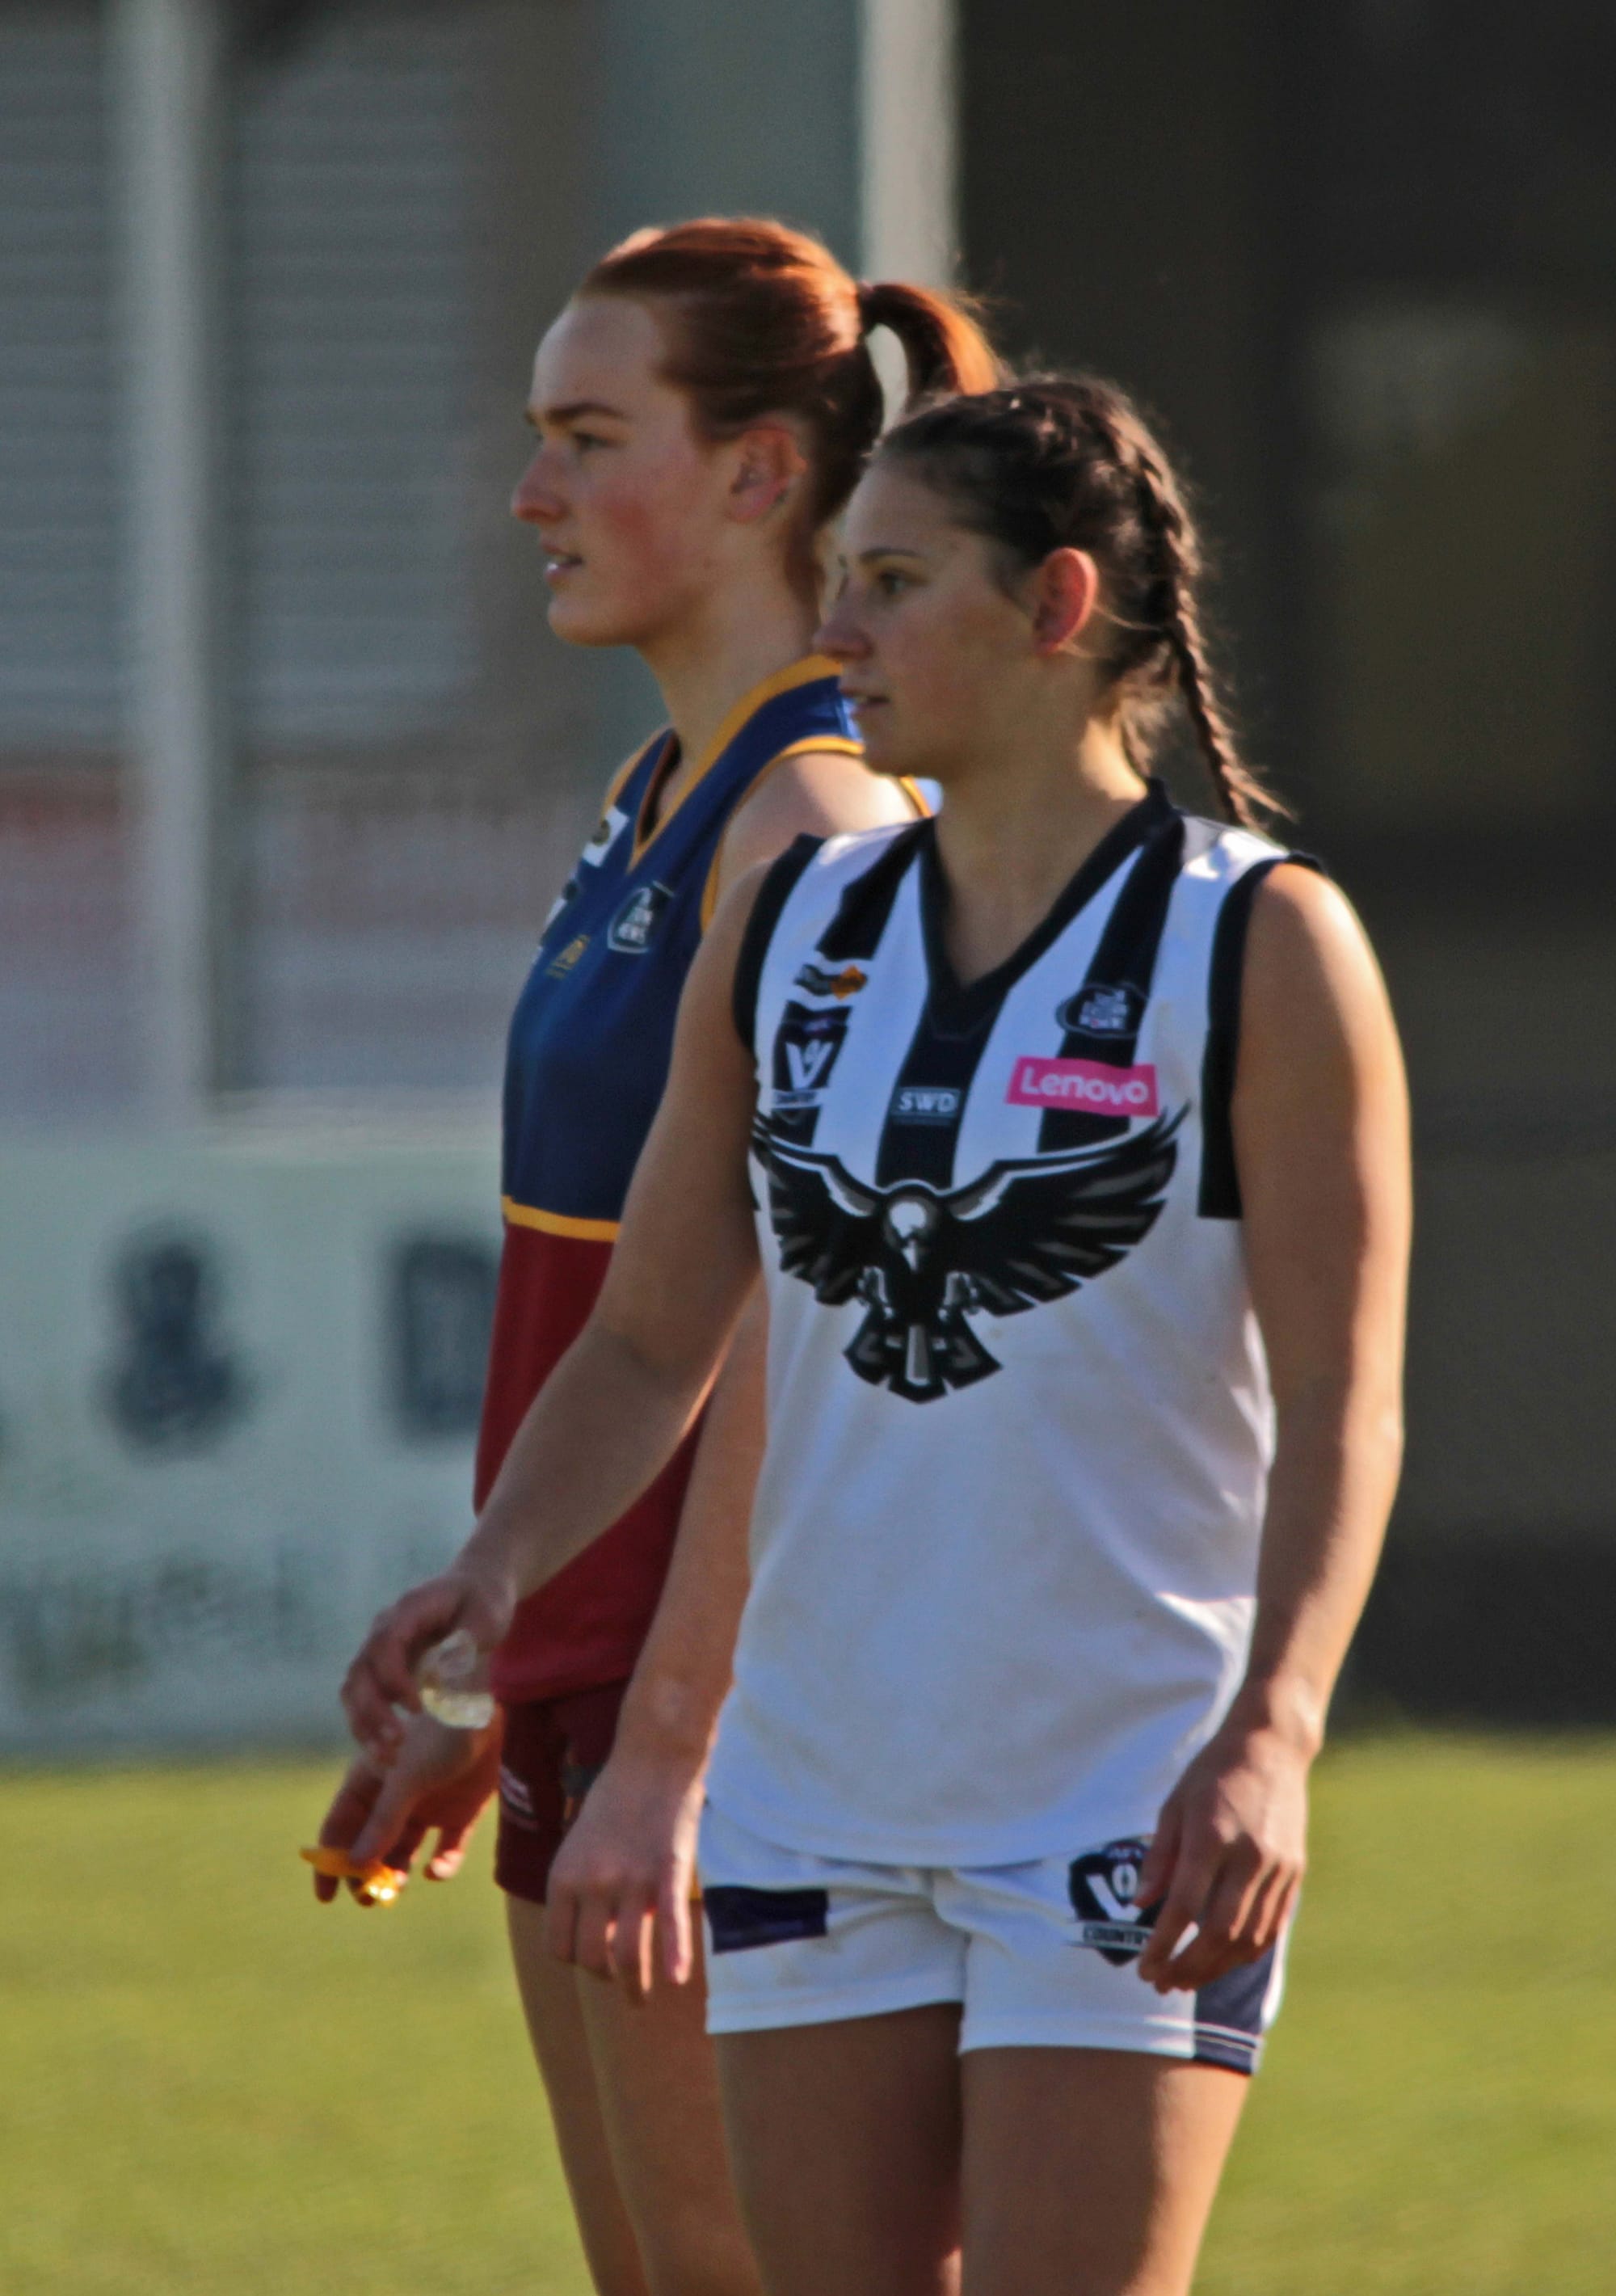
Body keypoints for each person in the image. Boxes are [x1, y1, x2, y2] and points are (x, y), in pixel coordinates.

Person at [342, 375, 1411, 2296]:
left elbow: (1346, 1399)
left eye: (893, 582)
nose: (835, 634)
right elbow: (653, 1334)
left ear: (1056, 602)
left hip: (1117, 1791)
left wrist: (1271, 1733)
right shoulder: (794, 919)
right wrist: (492, 1565)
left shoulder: (1260, 944)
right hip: (813, 1782)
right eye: (835, 578)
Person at [312, 217, 1001, 2296]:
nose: (530, 492)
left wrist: (680, 1740)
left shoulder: (816, 834)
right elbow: (619, 1329)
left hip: (746, 1714)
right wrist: (497, 1651)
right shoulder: (656, 796)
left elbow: (806, 1332)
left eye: (588, 434)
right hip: (595, 1683)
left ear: (761, 473)